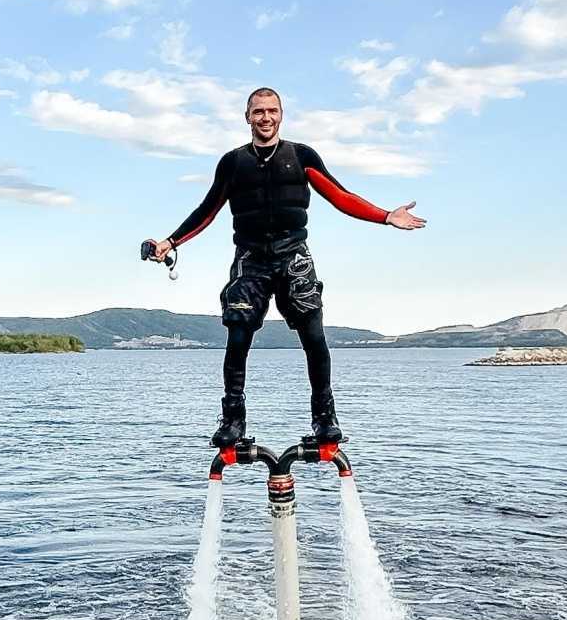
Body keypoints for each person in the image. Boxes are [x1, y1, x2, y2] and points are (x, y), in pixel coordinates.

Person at [145, 86, 425, 446]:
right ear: (247, 117)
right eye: (258, 111)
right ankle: (233, 419)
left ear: (281, 114)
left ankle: (324, 417)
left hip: (293, 256)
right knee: (238, 337)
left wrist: (386, 216)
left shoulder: (301, 156)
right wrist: (170, 242)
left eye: (272, 111)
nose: (265, 117)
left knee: (314, 338)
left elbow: (341, 197)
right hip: (250, 259)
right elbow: (207, 210)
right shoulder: (233, 162)